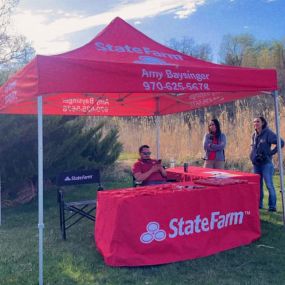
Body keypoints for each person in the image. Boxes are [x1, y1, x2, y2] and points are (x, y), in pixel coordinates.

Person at [250, 116, 284, 211]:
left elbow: (281, 142)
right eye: (254, 122)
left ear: (263, 123)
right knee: (258, 185)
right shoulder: (254, 135)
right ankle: (259, 205)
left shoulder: (268, 133)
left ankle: (272, 207)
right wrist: (252, 157)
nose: (256, 123)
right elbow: (253, 148)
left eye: (258, 121)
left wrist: (271, 153)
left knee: (269, 185)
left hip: (266, 164)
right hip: (256, 164)